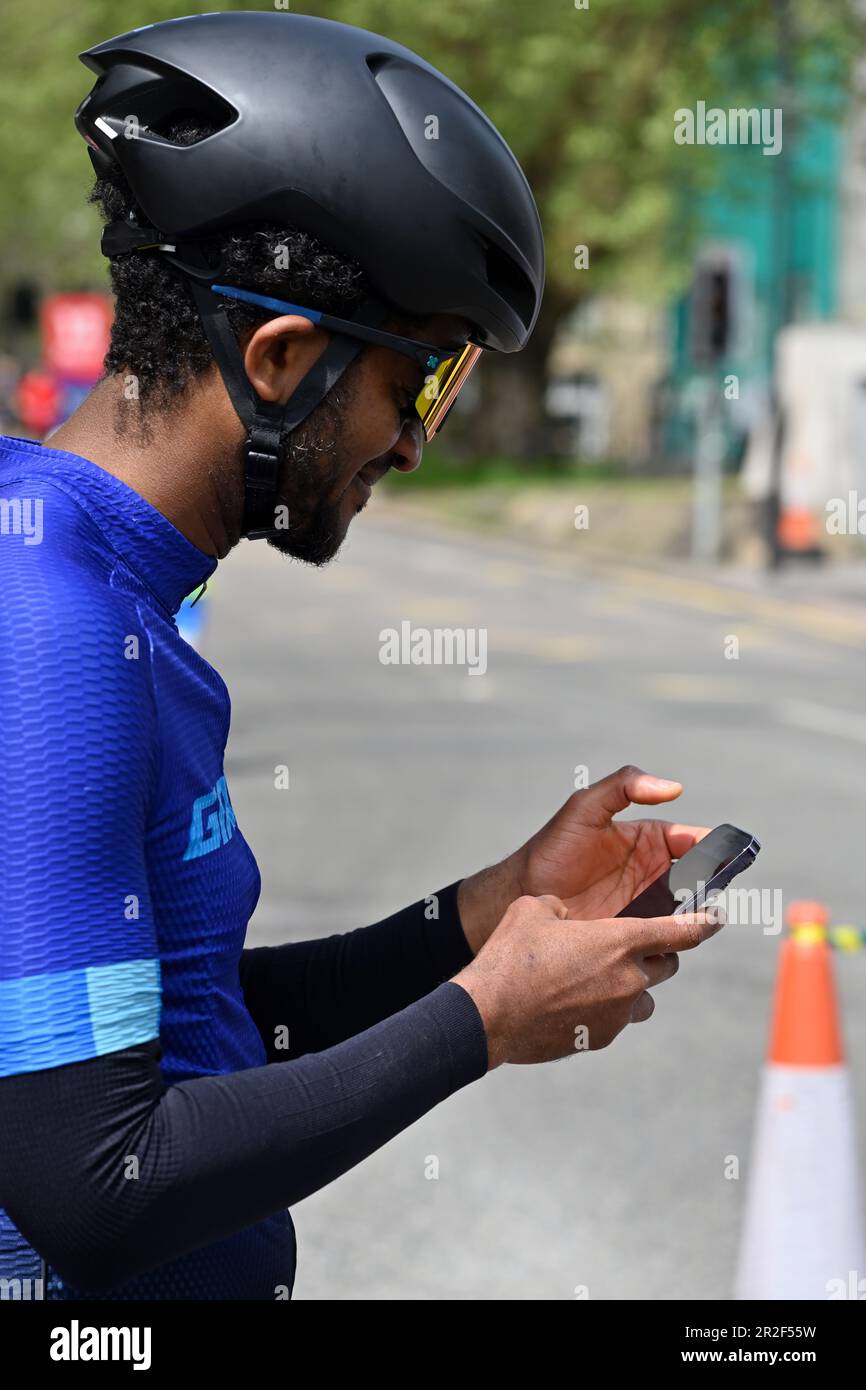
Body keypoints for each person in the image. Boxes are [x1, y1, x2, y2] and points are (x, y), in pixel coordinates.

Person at [0, 11, 722, 1301]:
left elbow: (189, 1028)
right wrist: (485, 1020)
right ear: (279, 361)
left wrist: (484, 917)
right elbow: (93, 1183)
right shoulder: (44, 626)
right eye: (419, 385)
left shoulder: (103, 583)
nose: (416, 445)